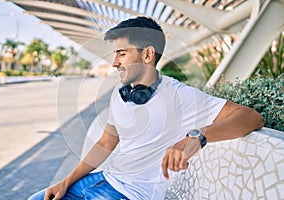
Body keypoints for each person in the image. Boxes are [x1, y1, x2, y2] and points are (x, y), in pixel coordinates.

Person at [28, 16, 263, 200]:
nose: (114, 62)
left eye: (122, 53)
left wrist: (197, 137)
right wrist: (65, 181)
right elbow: (105, 144)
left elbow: (251, 117)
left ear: (148, 54)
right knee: (37, 198)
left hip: (130, 195)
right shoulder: (121, 94)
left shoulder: (180, 96)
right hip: (104, 180)